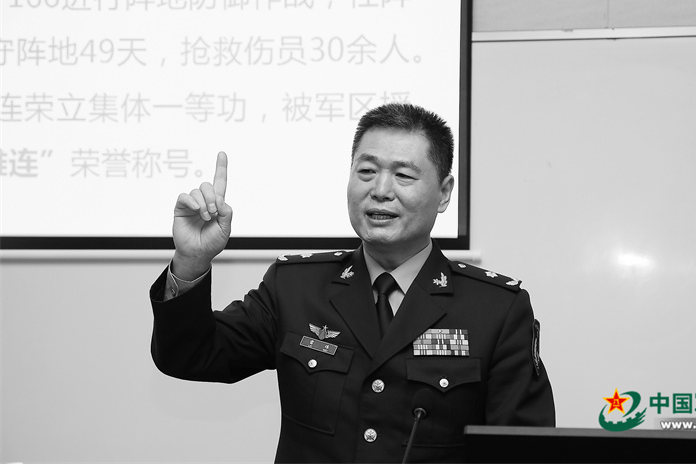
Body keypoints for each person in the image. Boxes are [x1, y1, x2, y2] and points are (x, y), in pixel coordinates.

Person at [150, 103, 555, 463]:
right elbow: (189, 355)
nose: (380, 191)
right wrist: (191, 261)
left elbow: (524, 453)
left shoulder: (495, 310)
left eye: (403, 175)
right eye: (366, 172)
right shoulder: (295, 287)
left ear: (444, 193)